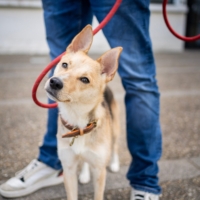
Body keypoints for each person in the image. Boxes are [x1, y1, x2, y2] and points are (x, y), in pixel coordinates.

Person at [0, 0, 162, 199]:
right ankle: (51, 163)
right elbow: (64, 61)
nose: (59, 80)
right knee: (58, 49)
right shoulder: (67, 57)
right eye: (65, 65)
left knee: (140, 79)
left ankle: (145, 183)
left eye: (83, 79)